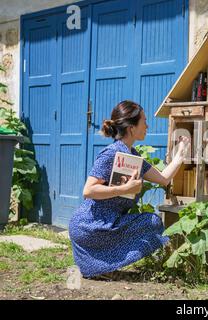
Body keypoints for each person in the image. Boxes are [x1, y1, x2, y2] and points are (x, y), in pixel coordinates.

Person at [68, 100, 190, 280]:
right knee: (151, 222)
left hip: (109, 224)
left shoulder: (133, 156)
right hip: (90, 226)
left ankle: (102, 267)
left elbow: (163, 178)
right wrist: (124, 188)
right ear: (132, 128)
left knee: (152, 221)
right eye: (144, 121)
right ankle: (101, 266)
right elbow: (88, 190)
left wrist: (180, 155)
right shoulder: (111, 154)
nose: (147, 126)